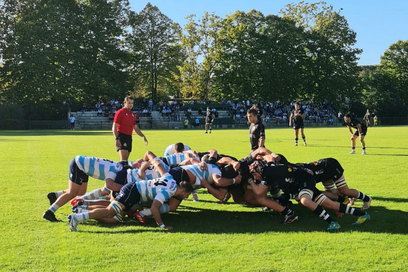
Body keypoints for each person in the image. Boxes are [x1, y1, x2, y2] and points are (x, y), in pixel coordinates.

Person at [68, 152, 193, 232]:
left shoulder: (170, 179)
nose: (186, 198)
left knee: (112, 214)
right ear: (182, 192)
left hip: (133, 189)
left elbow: (160, 167)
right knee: (110, 213)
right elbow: (155, 208)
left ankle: (80, 212)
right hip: (132, 191)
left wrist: (153, 161)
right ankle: (77, 217)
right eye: (186, 195)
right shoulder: (168, 191)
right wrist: (161, 225)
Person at [43, 155, 127, 222]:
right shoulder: (115, 171)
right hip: (79, 164)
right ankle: (49, 212)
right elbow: (108, 186)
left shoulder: (118, 167)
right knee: (72, 192)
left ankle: (54, 195)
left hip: (83, 166)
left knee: (81, 192)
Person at [112, 96, 148, 161]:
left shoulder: (132, 114)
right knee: (123, 161)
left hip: (129, 137)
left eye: (132, 103)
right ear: (124, 102)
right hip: (122, 137)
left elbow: (135, 128)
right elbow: (114, 127)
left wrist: (142, 136)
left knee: (126, 160)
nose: (131, 105)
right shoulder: (120, 112)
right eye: (129, 103)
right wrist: (116, 139)